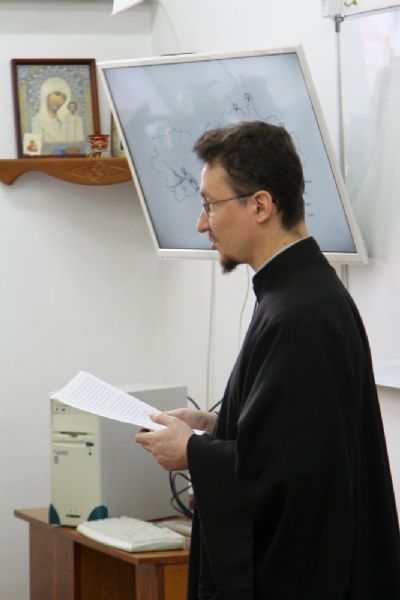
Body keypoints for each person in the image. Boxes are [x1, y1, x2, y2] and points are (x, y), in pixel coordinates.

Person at [136, 121, 400, 599]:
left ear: (260, 205)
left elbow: (292, 476)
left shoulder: (300, 313)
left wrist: (191, 452)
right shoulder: (294, 292)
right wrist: (216, 427)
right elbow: (292, 435)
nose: (201, 224)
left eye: (209, 205)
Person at [32, 77, 83, 144]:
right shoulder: (36, 122)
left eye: (64, 97)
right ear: (45, 95)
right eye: (57, 94)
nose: (60, 100)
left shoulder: (69, 121)